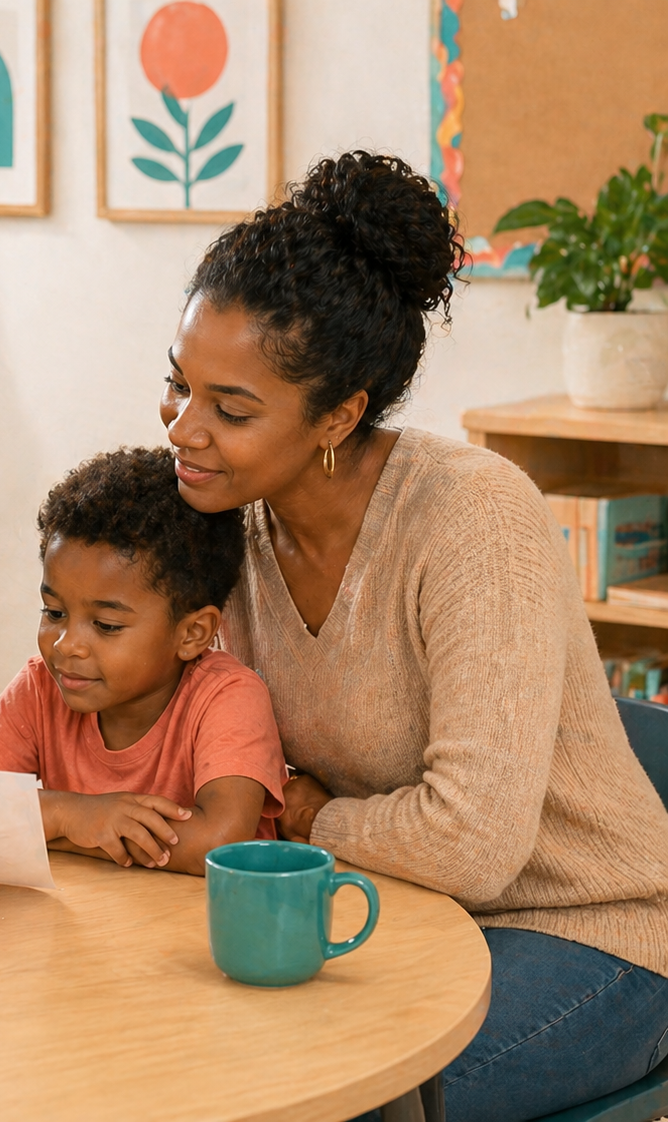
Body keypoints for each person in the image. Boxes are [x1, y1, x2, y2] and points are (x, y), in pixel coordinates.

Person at [161, 150, 668, 1120]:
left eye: (228, 409)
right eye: (178, 385)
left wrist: (306, 815)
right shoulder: (221, 520)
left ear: (337, 416)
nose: (183, 429)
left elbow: (474, 844)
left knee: (344, 1101)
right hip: (391, 910)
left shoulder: (471, 518)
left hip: (586, 932)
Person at [0, 447, 286, 874]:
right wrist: (63, 814)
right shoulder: (42, 688)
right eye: (54, 613)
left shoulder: (226, 697)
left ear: (192, 633)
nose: (67, 645)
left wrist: (50, 831)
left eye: (106, 625)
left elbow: (217, 846)